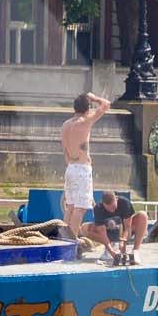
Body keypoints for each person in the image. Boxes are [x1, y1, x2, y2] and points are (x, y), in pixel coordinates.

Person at [60, 92, 110, 240]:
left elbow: (64, 150)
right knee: (80, 208)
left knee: (70, 207)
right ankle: (72, 240)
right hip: (81, 168)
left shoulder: (65, 125)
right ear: (87, 109)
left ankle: (64, 238)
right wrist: (94, 98)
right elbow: (106, 104)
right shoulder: (84, 122)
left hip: (70, 167)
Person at [84, 189, 147, 264]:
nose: (111, 210)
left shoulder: (124, 203)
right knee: (85, 228)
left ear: (116, 199)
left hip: (125, 232)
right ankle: (110, 248)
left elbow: (127, 228)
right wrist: (112, 252)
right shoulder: (98, 209)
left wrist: (122, 241)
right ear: (103, 204)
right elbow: (102, 234)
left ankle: (135, 251)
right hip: (109, 234)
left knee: (143, 216)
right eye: (108, 208)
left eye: (113, 207)